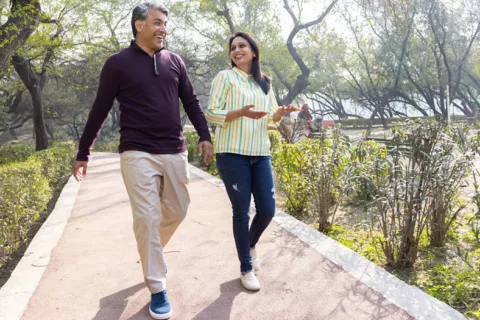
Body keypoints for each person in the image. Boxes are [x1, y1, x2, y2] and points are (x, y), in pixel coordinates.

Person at [72, 3, 213, 319]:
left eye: (165, 24)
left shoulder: (174, 62)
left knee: (179, 210)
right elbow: (100, 108)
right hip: (137, 152)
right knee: (147, 217)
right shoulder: (117, 64)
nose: (163, 28)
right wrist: (84, 151)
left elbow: (190, 100)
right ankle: (157, 287)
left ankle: (153, 253)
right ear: (139, 25)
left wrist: (204, 134)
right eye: (157, 22)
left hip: (174, 150)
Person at [205, 32, 298, 291]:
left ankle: (251, 243)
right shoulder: (225, 78)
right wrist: (239, 113)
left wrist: (279, 114)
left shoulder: (264, 82)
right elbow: (211, 113)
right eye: (233, 47)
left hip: (260, 154)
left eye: (242, 46)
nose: (236, 50)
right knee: (241, 212)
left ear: (254, 52)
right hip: (232, 154)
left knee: (268, 209)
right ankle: (246, 268)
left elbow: (268, 119)